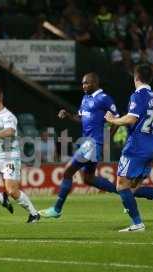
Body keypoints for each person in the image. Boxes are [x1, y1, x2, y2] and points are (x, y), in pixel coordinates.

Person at [39, 73, 120, 218]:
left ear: (95, 82)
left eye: (86, 83)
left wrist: (107, 139)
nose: (83, 86)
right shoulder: (85, 98)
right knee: (88, 178)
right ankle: (123, 192)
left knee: (68, 171)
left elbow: (117, 119)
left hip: (93, 143)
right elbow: (81, 118)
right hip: (87, 142)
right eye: (82, 83)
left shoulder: (104, 98)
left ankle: (57, 209)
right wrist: (68, 115)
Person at [105, 64, 153, 232]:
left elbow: (131, 119)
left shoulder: (138, 96)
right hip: (150, 148)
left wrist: (112, 120)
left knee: (121, 186)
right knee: (134, 189)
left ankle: (137, 223)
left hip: (135, 147)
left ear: (136, 77)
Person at [0, 87, 40, 223]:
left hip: (10, 157)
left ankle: (34, 214)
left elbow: (10, 131)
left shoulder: (8, 116)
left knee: (12, 191)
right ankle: (2, 199)